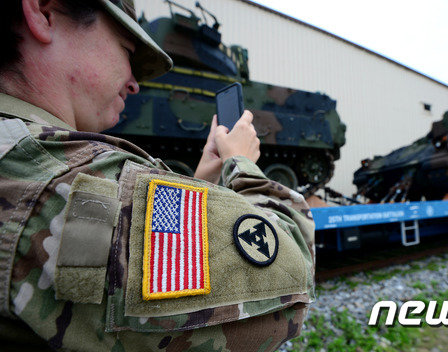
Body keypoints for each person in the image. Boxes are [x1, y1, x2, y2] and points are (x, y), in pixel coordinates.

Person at [0, 0, 315, 351]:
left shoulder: (19, 158)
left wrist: (199, 187)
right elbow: (294, 275)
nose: (134, 84)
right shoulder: (68, 180)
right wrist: (241, 165)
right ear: (44, 12)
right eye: (127, 51)